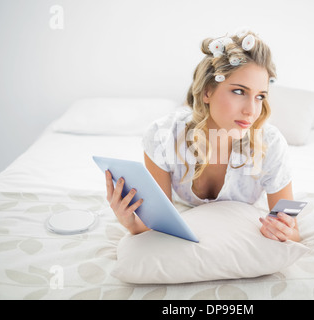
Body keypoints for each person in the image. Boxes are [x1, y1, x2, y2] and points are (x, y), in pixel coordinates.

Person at [105, 30, 300, 242]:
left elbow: (292, 230)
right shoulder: (163, 136)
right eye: (239, 91)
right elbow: (155, 223)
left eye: (260, 96)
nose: (252, 111)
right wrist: (131, 223)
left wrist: (286, 232)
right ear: (207, 91)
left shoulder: (272, 144)